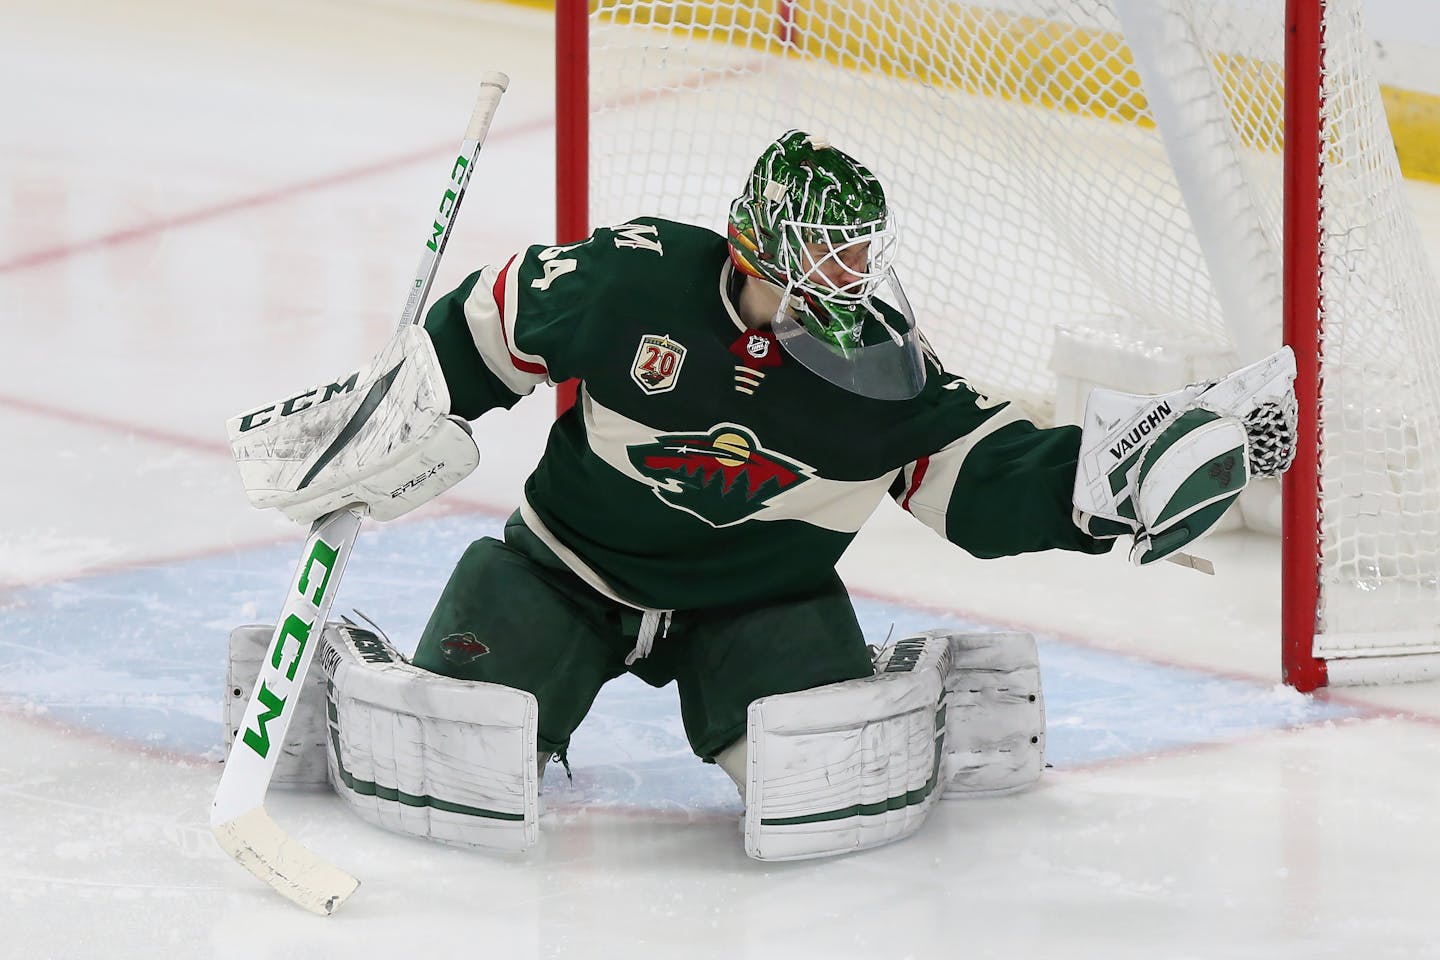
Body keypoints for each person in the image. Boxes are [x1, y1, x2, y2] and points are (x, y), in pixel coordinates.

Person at [230, 130, 1292, 860]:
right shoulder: (632, 281)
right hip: (566, 573)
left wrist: (1102, 480)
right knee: (459, 760)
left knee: (820, 785)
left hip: (758, 607)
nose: (853, 271)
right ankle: (349, 682)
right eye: (829, 250)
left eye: (862, 251)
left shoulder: (880, 365)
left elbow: (975, 480)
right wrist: (393, 408)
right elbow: (487, 334)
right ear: (763, 247)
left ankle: (900, 692)